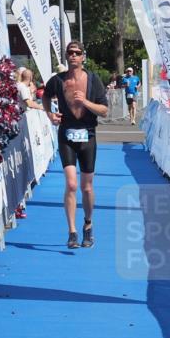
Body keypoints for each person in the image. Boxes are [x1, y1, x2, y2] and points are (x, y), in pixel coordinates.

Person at [42, 41, 108, 249]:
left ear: (83, 57)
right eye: (70, 52)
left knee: (86, 187)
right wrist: (50, 114)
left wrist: (85, 102)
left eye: (77, 53)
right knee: (71, 184)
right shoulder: (57, 80)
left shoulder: (93, 80)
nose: (73, 56)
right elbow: (45, 96)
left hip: (88, 136)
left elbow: (104, 111)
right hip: (66, 136)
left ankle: (88, 224)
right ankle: (72, 232)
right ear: (66, 56)